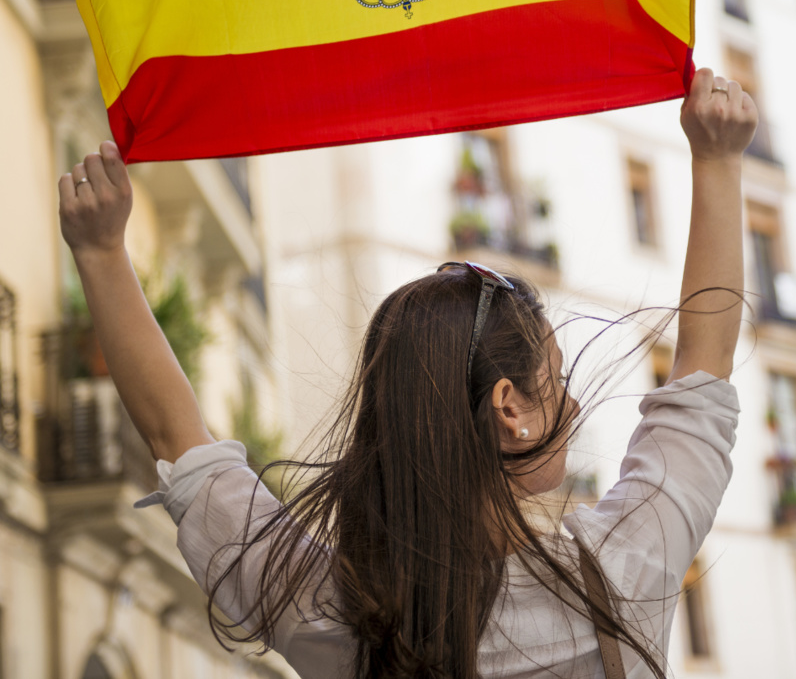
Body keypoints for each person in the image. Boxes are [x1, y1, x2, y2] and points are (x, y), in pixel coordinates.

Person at [58, 68, 757, 679]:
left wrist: (99, 250)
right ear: (508, 409)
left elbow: (177, 439)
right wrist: (717, 159)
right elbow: (703, 365)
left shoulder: (328, 607)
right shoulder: (626, 566)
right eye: (555, 381)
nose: (572, 406)